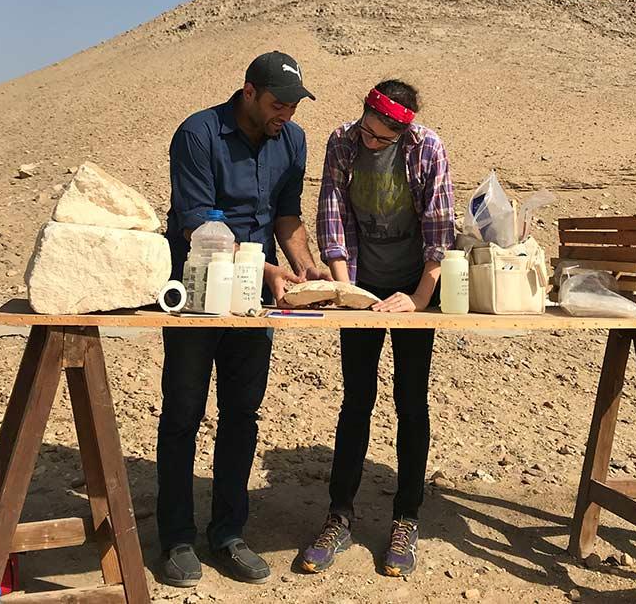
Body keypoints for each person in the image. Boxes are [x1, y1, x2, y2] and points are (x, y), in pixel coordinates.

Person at [157, 51, 329, 588]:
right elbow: (195, 227)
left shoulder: (292, 141)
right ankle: (177, 537)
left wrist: (306, 269)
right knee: (184, 413)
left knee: (241, 414)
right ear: (248, 92)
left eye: (295, 107)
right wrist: (265, 272)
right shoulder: (197, 135)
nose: (287, 116)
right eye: (279, 104)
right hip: (199, 291)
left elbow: (286, 215)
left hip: (257, 299)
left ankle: (228, 533)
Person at [302, 80, 455, 577]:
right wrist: (350, 292)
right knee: (356, 398)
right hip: (362, 285)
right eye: (367, 131)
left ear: (401, 132)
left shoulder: (426, 147)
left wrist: (416, 299)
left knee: (412, 401)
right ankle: (339, 516)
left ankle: (406, 518)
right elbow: (333, 214)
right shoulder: (342, 141)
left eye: (381, 139)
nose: (370, 142)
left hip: (413, 289)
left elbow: (439, 229)